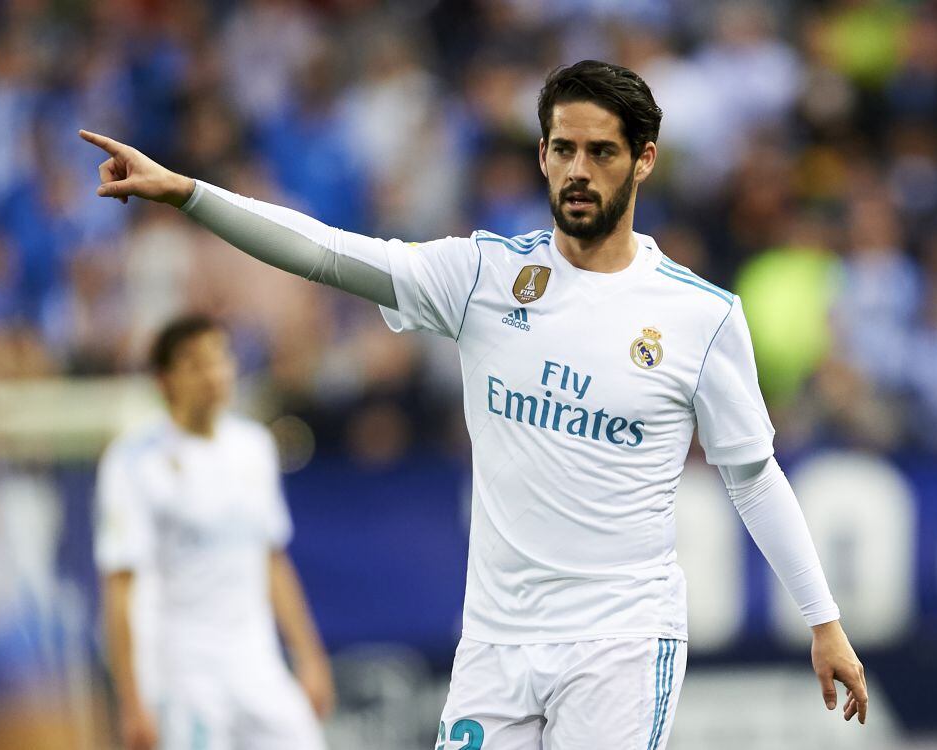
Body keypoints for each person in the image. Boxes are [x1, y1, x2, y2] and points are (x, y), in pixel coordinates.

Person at [81, 59, 867, 749]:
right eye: (564, 149)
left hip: (621, 643)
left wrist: (822, 619)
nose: (579, 171)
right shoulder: (483, 278)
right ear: (542, 155)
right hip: (495, 644)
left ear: (645, 161)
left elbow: (752, 475)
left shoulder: (701, 316)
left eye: (601, 152)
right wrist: (189, 194)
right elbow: (326, 252)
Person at [94, 315, 334, 750]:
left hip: (255, 659)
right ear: (165, 380)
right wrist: (130, 701)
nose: (215, 374)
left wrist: (310, 657)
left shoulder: (254, 446)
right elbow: (119, 586)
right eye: (197, 363)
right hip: (184, 671)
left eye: (221, 359)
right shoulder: (133, 462)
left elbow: (272, 559)